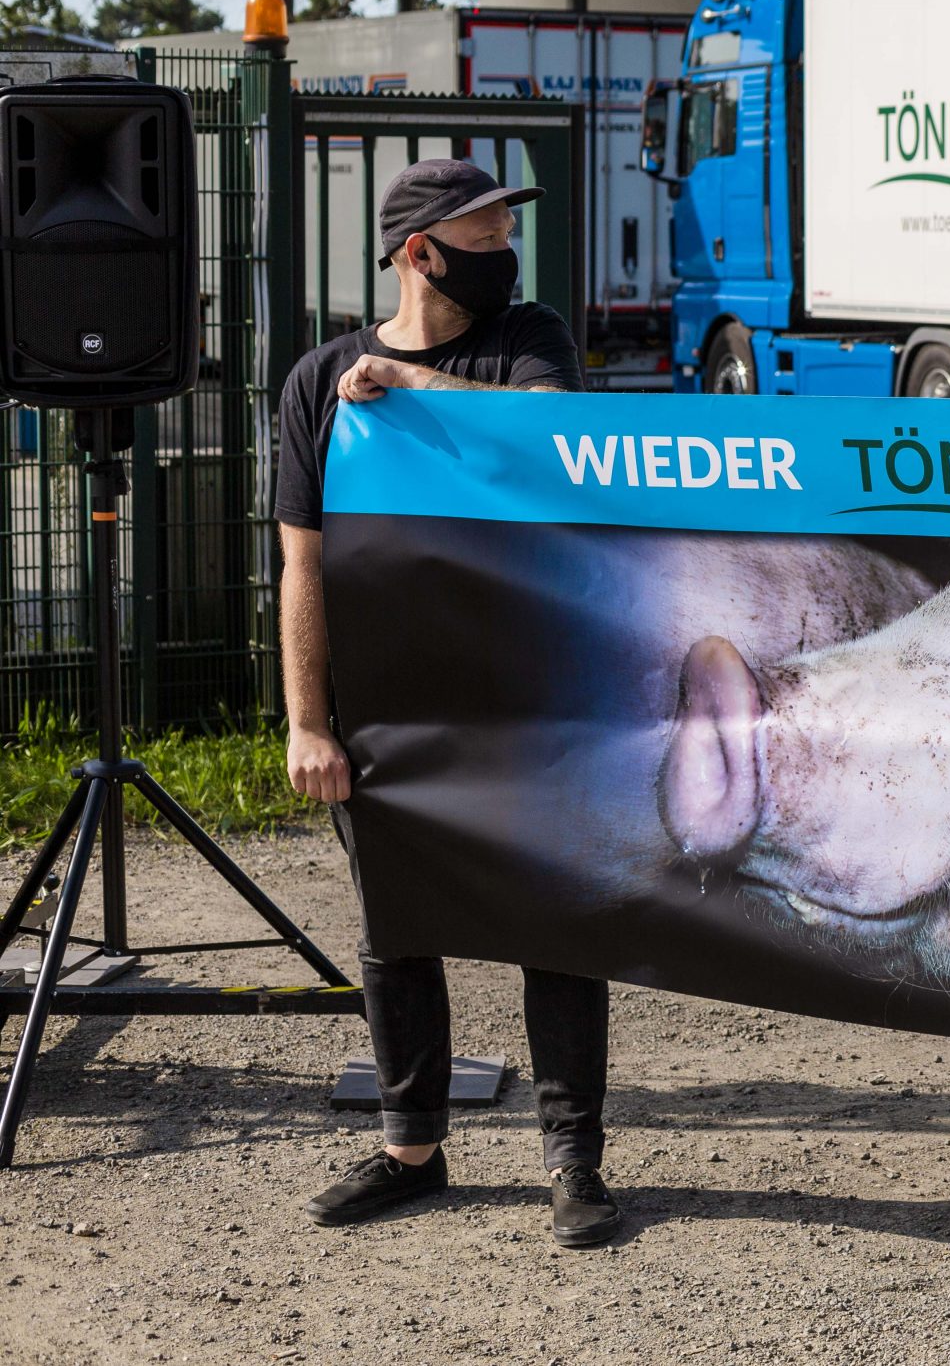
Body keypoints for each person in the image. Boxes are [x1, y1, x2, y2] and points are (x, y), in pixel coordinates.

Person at [277, 158, 623, 1249]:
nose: (505, 251)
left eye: (505, 231)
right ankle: (410, 1153)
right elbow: (300, 566)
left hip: (533, 701)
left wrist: (414, 387)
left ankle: (573, 1161)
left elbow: (556, 441)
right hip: (387, 712)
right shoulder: (317, 382)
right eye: (483, 235)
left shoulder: (529, 340)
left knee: (557, 926)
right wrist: (307, 721)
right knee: (397, 927)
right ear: (419, 252)